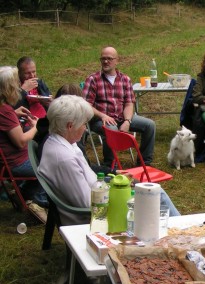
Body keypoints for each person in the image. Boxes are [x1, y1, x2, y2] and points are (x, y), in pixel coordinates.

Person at [38, 95, 180, 226]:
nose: (85, 129)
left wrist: (114, 181)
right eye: (83, 124)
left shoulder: (60, 141)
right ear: (70, 126)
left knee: (149, 190)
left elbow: (89, 182)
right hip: (95, 218)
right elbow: (87, 204)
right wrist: (118, 191)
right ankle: (180, 229)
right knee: (154, 194)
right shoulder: (64, 159)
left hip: (99, 196)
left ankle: (179, 229)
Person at [83, 46, 156, 167]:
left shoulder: (125, 79)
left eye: (109, 59)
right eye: (103, 59)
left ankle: (145, 163)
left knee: (149, 125)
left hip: (122, 117)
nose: (106, 61)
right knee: (112, 129)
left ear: (117, 60)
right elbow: (86, 105)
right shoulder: (93, 79)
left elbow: (129, 103)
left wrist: (127, 121)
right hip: (100, 120)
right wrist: (102, 116)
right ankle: (110, 165)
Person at [0, 66, 48, 220]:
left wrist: (14, 114)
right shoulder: (4, 110)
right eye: (15, 83)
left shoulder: (5, 109)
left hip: (13, 159)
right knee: (51, 169)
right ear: (9, 88)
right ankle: (38, 201)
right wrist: (35, 127)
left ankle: (23, 193)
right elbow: (21, 141)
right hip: (15, 163)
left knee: (46, 158)